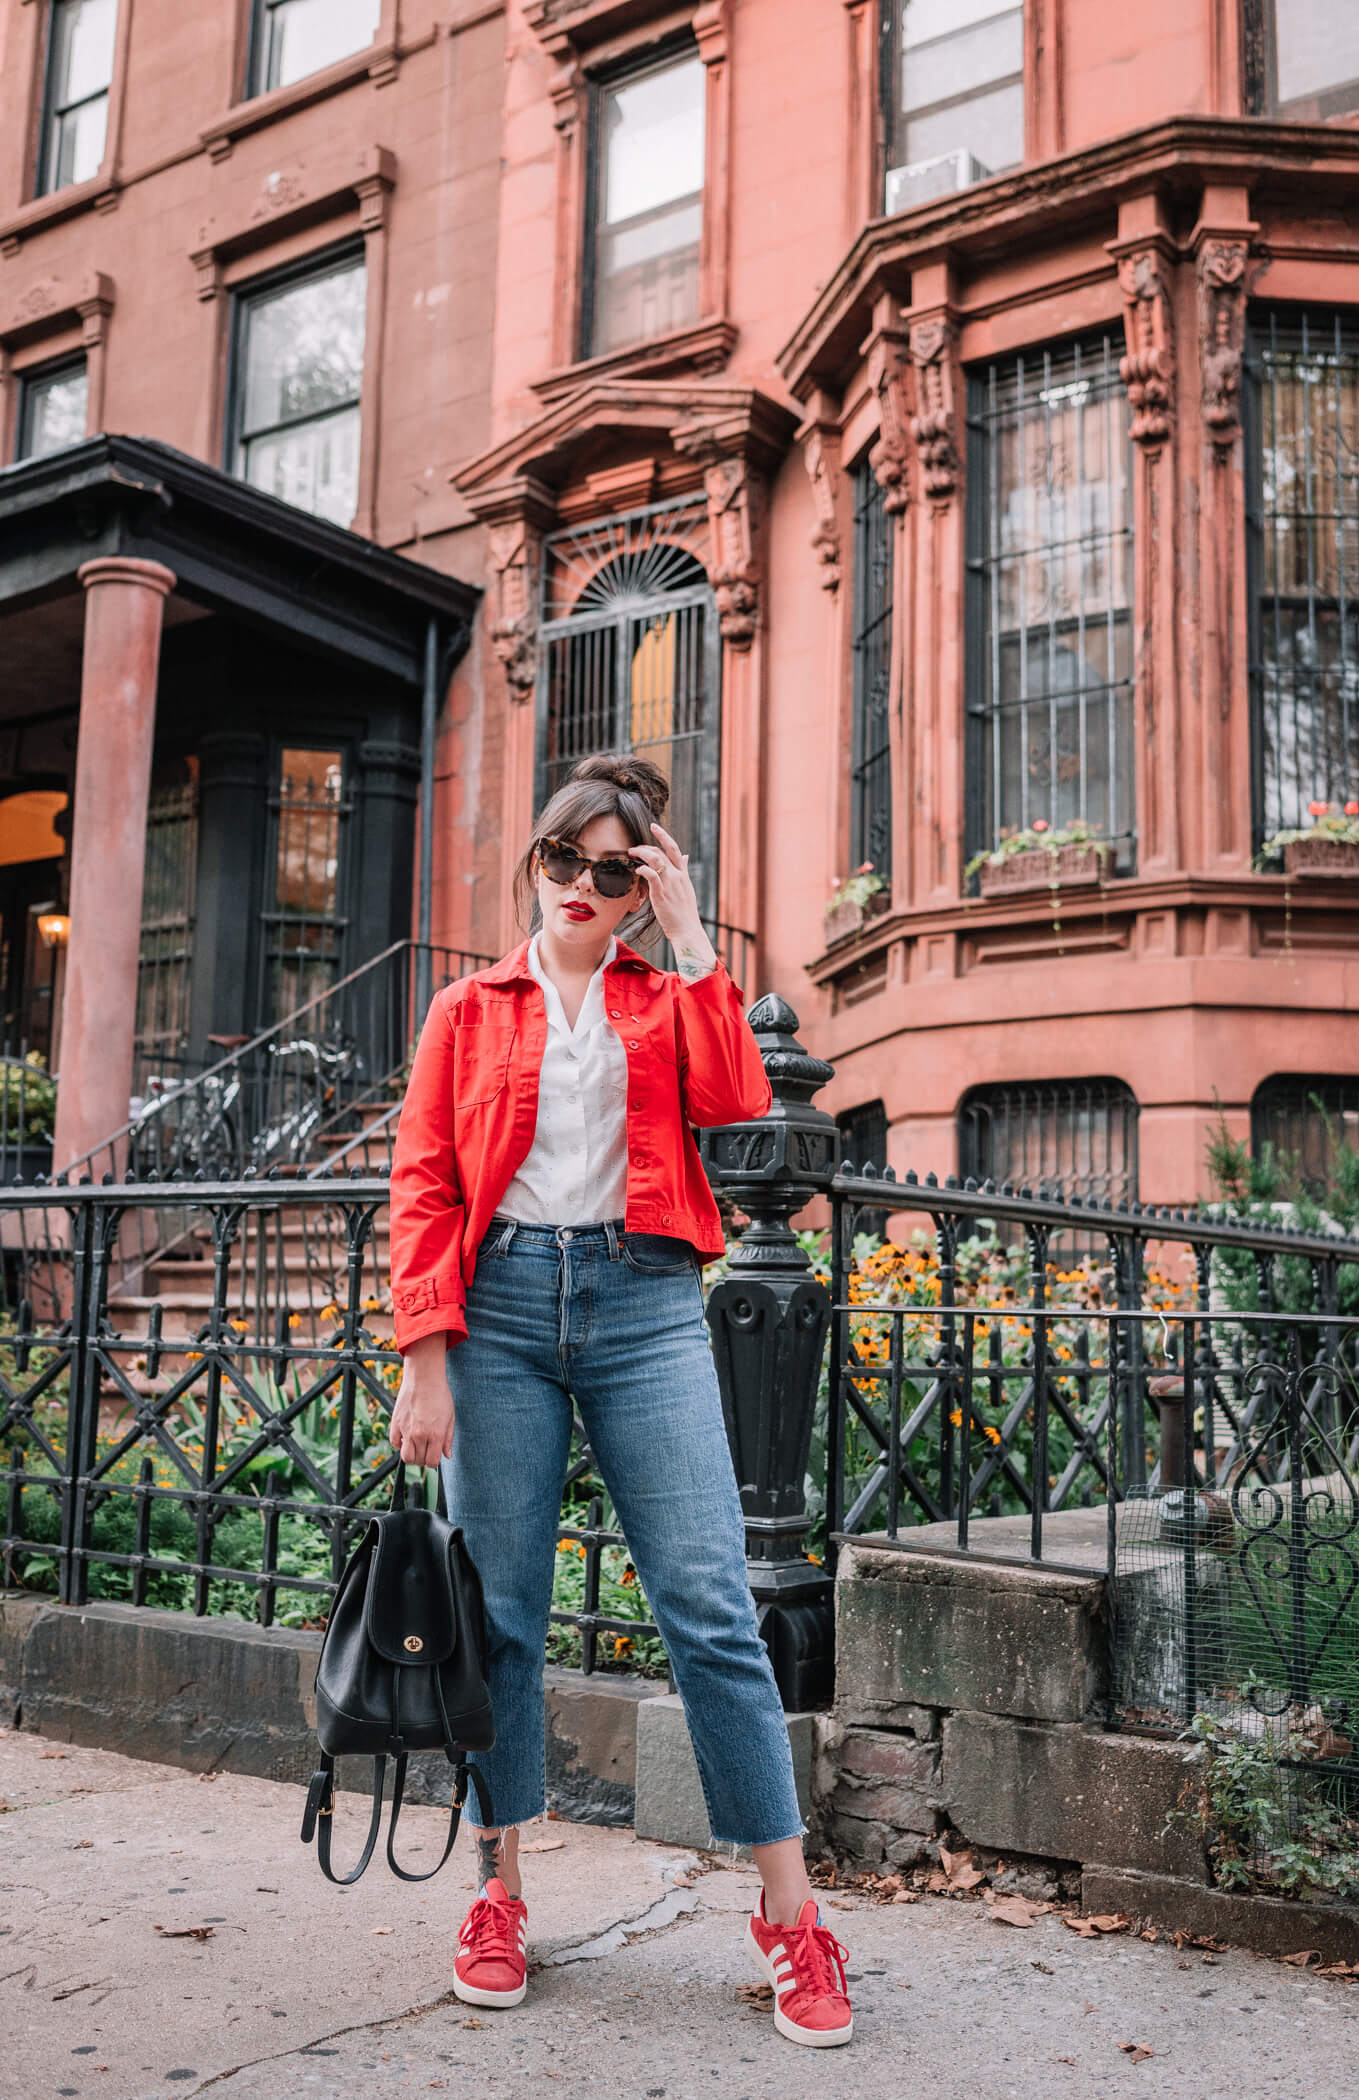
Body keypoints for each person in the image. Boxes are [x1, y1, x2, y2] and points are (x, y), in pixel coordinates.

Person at [387, 753, 853, 2049]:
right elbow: (424, 1181)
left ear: (636, 886)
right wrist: (425, 1354)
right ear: (535, 863)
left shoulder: (666, 993)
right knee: (506, 1618)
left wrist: (696, 932)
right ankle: (499, 1894)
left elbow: (742, 1102)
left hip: (646, 1301)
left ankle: (794, 1915)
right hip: (503, 1311)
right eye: (564, 862)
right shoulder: (467, 1011)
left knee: (709, 1603)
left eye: (613, 871)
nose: (583, 889)